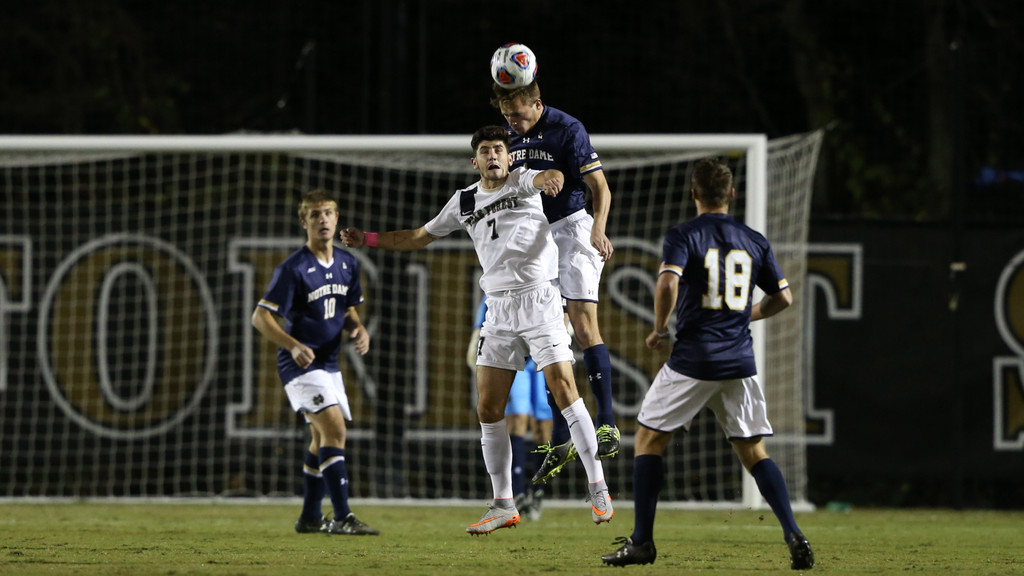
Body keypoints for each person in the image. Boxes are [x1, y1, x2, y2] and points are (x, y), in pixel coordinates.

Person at [340, 125, 613, 535]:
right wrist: (369, 238)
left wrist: (550, 177)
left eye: (500, 150)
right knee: (488, 408)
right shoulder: (464, 200)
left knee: (564, 389)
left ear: (509, 156)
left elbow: (542, 178)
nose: (494, 156)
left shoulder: (523, 180)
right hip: (498, 310)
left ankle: (598, 487)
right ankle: (503, 503)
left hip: (540, 300)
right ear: (475, 160)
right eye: (486, 151)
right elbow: (418, 236)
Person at [601, 158, 814, 570]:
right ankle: (793, 531)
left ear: (693, 192)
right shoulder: (754, 239)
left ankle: (642, 542)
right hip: (738, 360)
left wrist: (660, 329)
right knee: (754, 451)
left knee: (648, 440)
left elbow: (666, 281)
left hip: (695, 358)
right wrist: (746, 315)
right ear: (732, 194)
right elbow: (783, 297)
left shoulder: (685, 234)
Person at [490, 80, 620, 485]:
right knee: (548, 338)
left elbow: (600, 187)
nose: (513, 121)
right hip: (535, 240)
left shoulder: (568, 128)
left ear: (537, 104)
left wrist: (598, 230)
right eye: (507, 115)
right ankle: (563, 438)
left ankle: (608, 423)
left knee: (582, 326)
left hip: (573, 228)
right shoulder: (507, 138)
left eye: (519, 114)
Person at [251, 189, 380, 536]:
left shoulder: (347, 263)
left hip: (329, 364)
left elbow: (346, 308)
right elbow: (260, 317)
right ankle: (342, 516)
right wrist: (292, 345)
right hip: (300, 366)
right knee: (336, 430)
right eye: (315, 214)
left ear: (337, 219)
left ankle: (309, 517)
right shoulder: (292, 268)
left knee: (319, 439)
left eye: (328, 213)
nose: (322, 219)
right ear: (304, 222)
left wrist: (359, 329)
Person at [467, 295, 553, 521]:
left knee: (543, 429)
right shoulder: (493, 294)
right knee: (516, 422)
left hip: (544, 358)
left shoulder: (544, 288)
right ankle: (517, 493)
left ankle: (537, 492)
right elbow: (478, 336)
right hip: (515, 360)